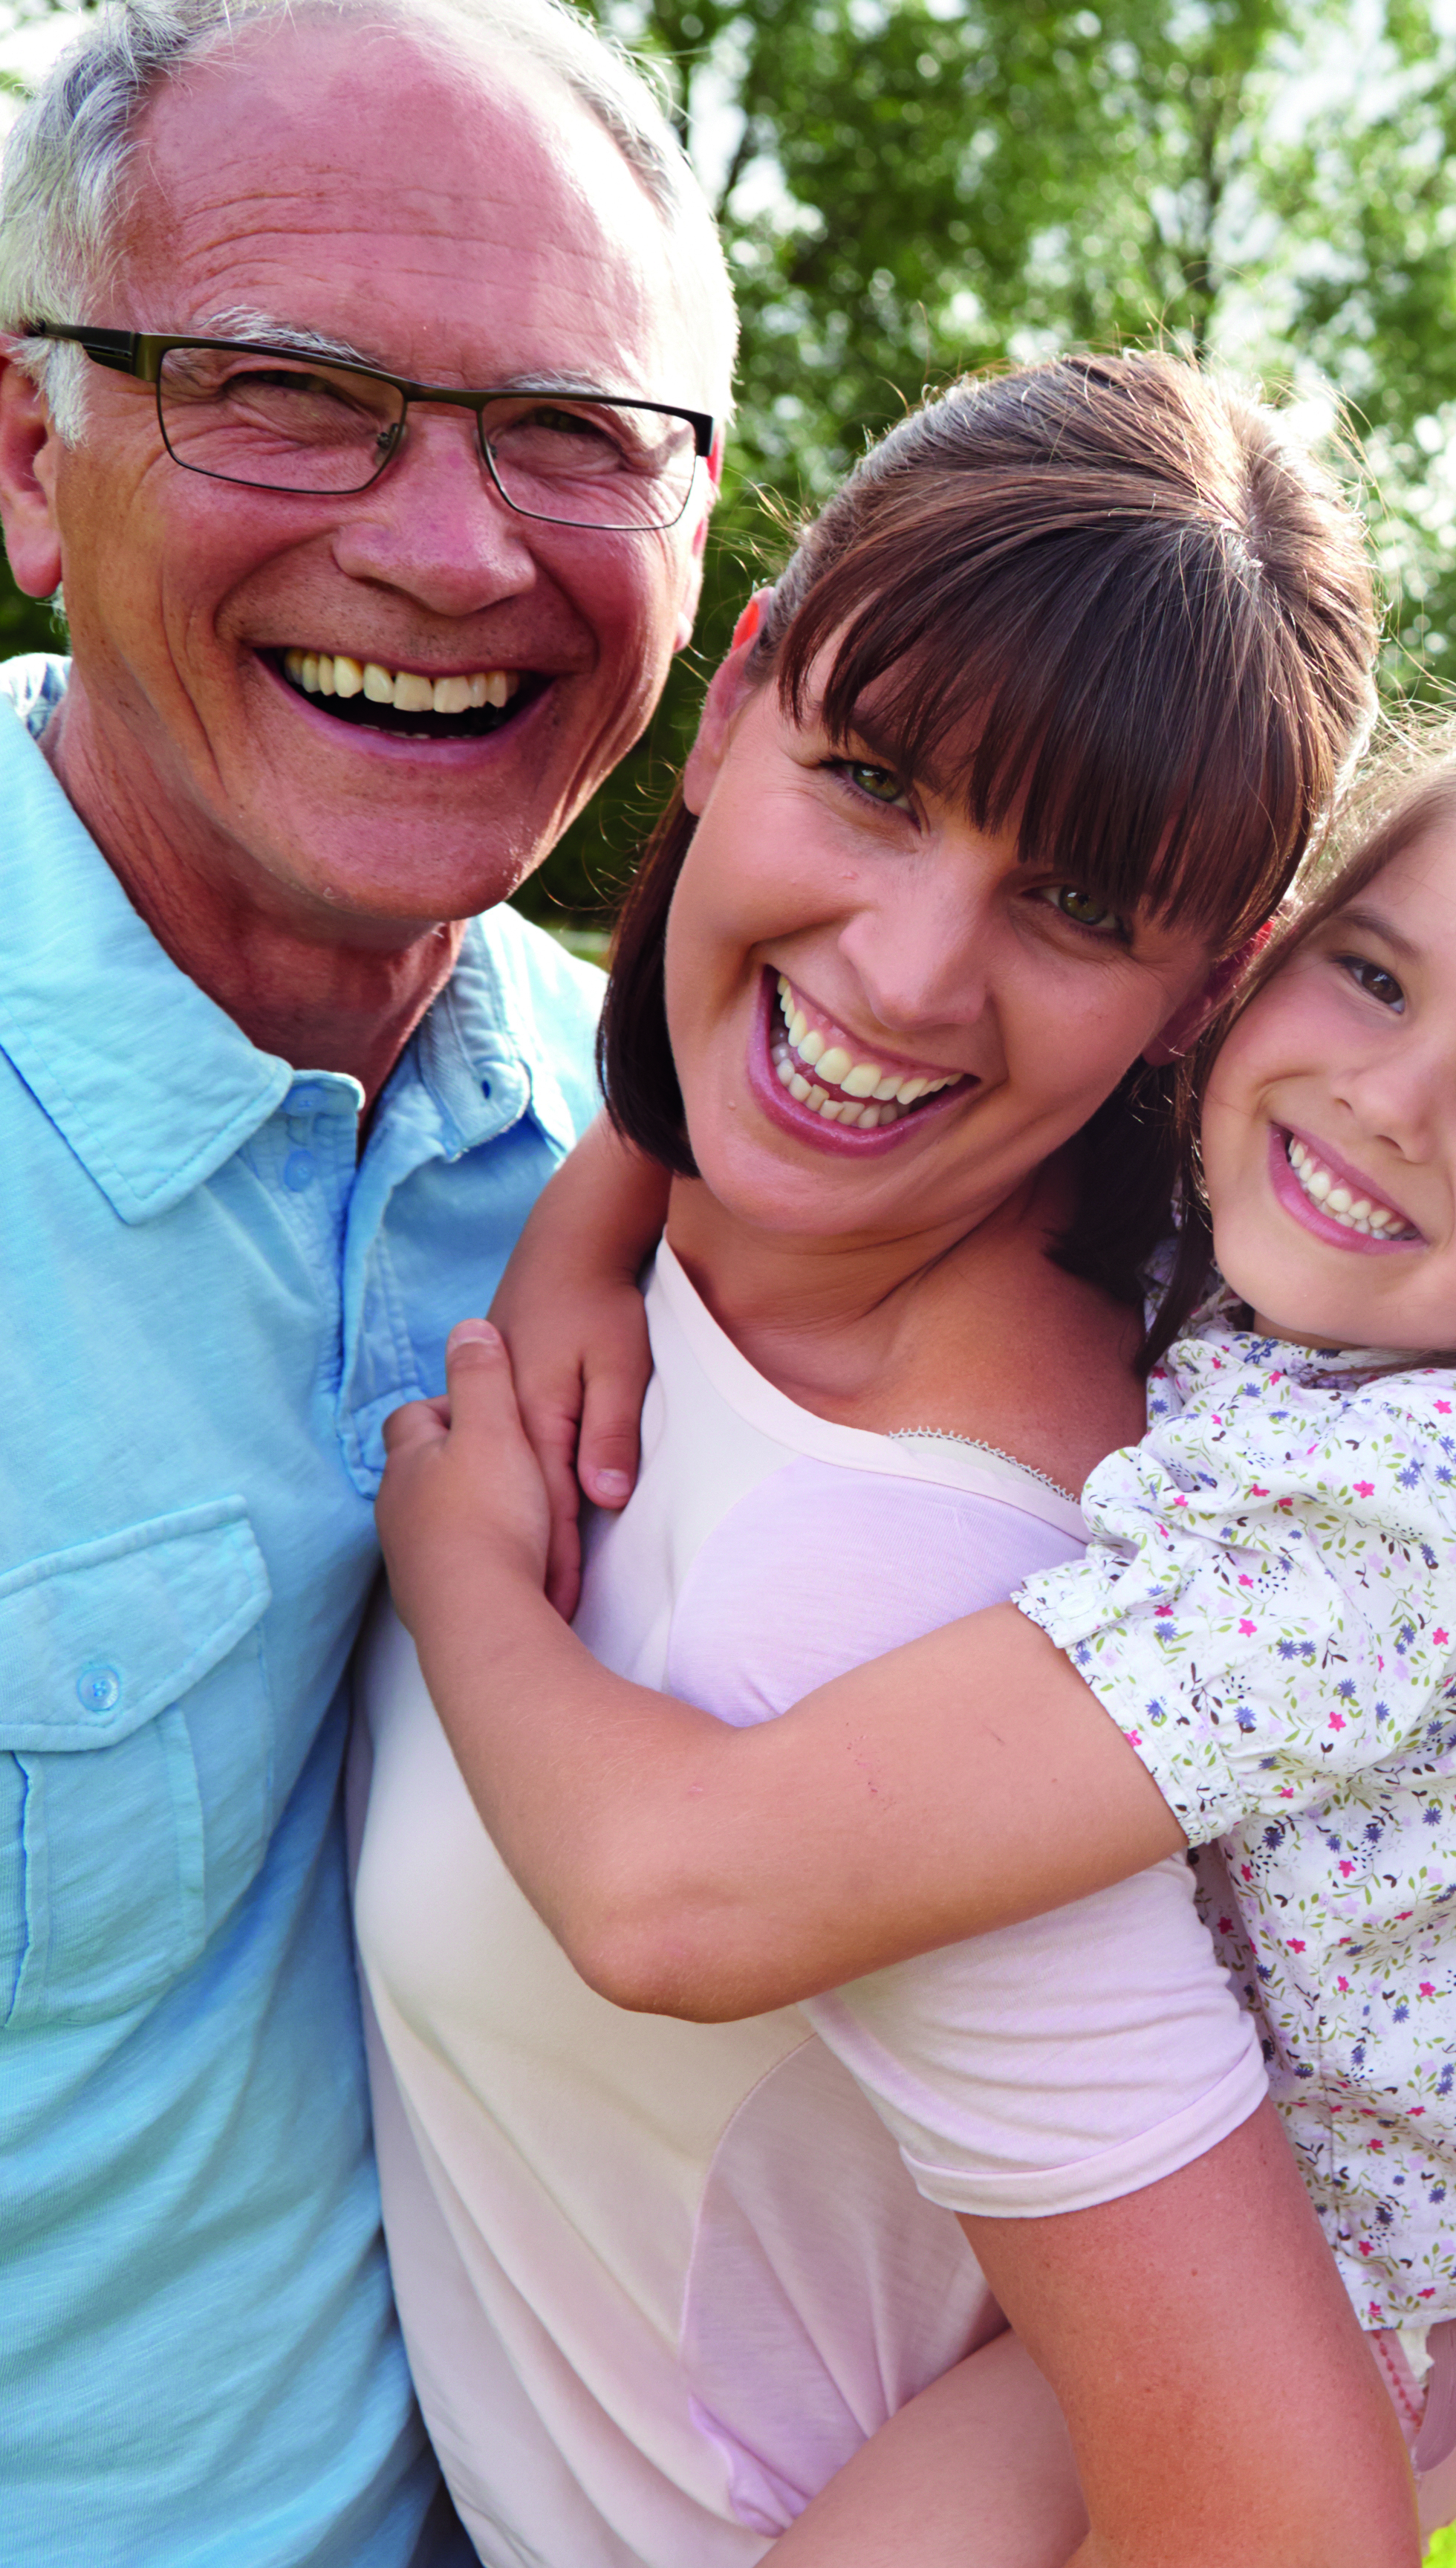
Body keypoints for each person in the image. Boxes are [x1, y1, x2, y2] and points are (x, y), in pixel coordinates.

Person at [372, 674, 1456, 2552]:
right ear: (1254, 971)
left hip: (1403, 2285)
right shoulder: (1299, 1214)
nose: (1388, 1099)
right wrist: (585, 1249)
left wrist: (462, 1569)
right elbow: (771, 1063)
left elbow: (673, 1898)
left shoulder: (1388, 1532)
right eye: (1376, 977)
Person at [349, 349, 1421, 2568]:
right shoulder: (664, 1217)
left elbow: (1282, 2519)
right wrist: (609, 1201)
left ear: (1204, 994)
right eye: (872, 782)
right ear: (735, 698)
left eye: (1081, 908)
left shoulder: (909, 1596)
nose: (912, 975)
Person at [0, 0, 729, 2553]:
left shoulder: (717, 1171)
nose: (450, 549)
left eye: (571, 430)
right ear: (27, 452)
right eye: (286, 395)